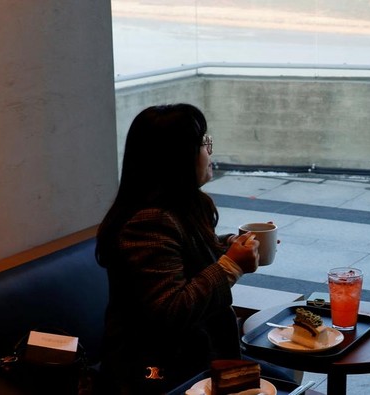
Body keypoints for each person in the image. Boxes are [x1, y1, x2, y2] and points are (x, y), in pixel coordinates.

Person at [95, 103, 272, 394]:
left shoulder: (185, 205)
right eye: (204, 143)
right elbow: (171, 310)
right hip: (160, 372)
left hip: (201, 355)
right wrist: (231, 265)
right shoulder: (147, 222)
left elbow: (184, 254)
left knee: (288, 375)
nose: (210, 151)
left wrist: (231, 244)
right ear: (176, 157)